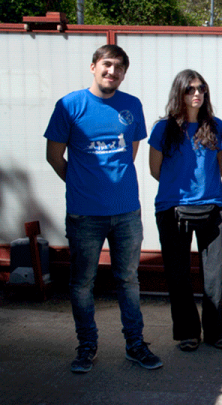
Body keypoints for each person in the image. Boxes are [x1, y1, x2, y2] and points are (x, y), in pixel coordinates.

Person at [44, 44, 162, 373]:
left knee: (128, 280)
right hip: (84, 214)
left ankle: (135, 345)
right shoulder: (70, 106)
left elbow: (130, 153)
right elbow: (54, 157)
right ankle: (86, 346)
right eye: (107, 65)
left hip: (126, 212)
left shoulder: (132, 106)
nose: (113, 72)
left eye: (119, 68)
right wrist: (82, 184)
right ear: (93, 66)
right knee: (83, 283)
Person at [148, 70, 222, 352]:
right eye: (190, 89)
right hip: (172, 209)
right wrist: (180, 187)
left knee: (216, 275)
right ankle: (187, 332)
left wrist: (204, 189)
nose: (197, 94)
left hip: (212, 208)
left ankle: (217, 332)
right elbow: (154, 169)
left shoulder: (216, 126)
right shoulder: (163, 129)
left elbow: (221, 166)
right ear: (179, 93)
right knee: (178, 273)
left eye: (201, 89)